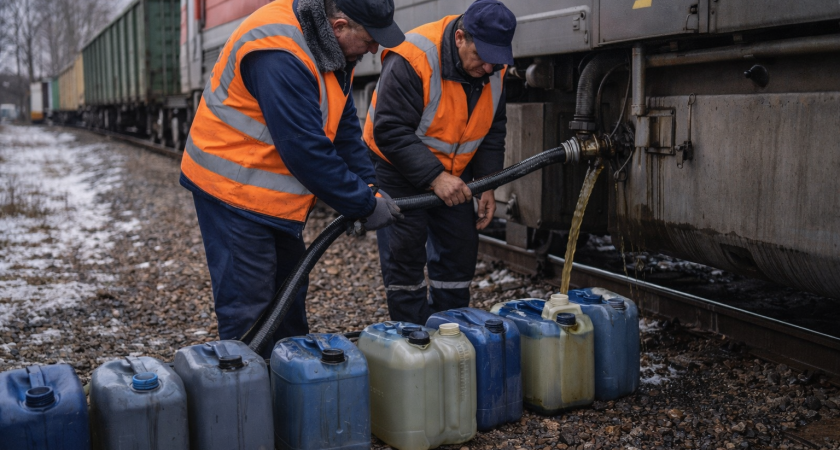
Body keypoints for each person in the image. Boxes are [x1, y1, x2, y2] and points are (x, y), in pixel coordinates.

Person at [180, 0, 405, 356]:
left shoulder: (330, 49)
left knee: (289, 294)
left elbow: (343, 126)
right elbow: (305, 150)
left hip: (271, 192)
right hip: (232, 188)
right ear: (340, 26)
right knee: (250, 310)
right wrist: (362, 204)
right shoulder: (279, 52)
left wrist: (369, 185)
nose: (375, 49)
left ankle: (292, 382)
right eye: (370, 39)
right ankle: (249, 398)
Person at [363, 0, 516, 324]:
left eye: (496, 61)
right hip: (398, 167)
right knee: (405, 252)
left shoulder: (494, 68)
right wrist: (436, 178)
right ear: (460, 38)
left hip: (453, 171)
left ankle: (451, 329)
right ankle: (412, 335)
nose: (489, 69)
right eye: (483, 58)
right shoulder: (413, 57)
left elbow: (493, 128)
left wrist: (488, 184)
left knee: (458, 251)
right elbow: (389, 130)